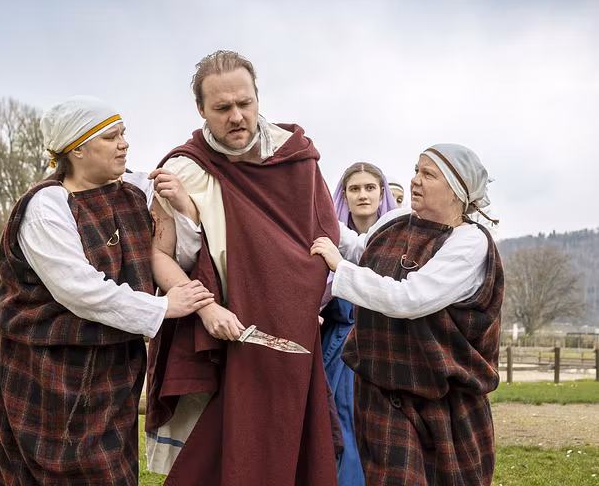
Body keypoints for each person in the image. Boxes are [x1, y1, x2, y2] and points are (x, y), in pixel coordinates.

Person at [0, 95, 215, 485]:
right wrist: (161, 308)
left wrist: (184, 209)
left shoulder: (137, 191)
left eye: (123, 133)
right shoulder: (46, 207)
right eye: (110, 136)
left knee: (112, 474)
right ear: (77, 148)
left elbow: (178, 253)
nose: (124, 143)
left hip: (113, 370)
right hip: (44, 368)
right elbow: (80, 289)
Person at [145, 50, 342, 485]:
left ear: (257, 98)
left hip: (288, 332)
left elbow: (320, 244)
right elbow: (160, 256)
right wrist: (205, 307)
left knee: (292, 453)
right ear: (200, 110)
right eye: (222, 108)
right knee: (215, 460)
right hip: (219, 332)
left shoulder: (297, 159)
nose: (237, 117)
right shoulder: (182, 170)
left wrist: (307, 300)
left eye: (245, 103)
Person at [311, 144, 503, 486]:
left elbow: (410, 298)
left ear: (457, 190)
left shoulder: (469, 244)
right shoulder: (396, 220)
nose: (414, 180)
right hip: (383, 387)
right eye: (416, 170)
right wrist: (313, 204)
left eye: (428, 175)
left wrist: (339, 269)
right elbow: (360, 248)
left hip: (443, 398)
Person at [320, 162, 397, 485]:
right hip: (339, 345)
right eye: (354, 188)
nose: (362, 195)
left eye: (370, 188)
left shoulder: (396, 236)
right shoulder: (329, 235)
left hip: (387, 342)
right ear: (344, 195)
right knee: (342, 421)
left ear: (382, 194)